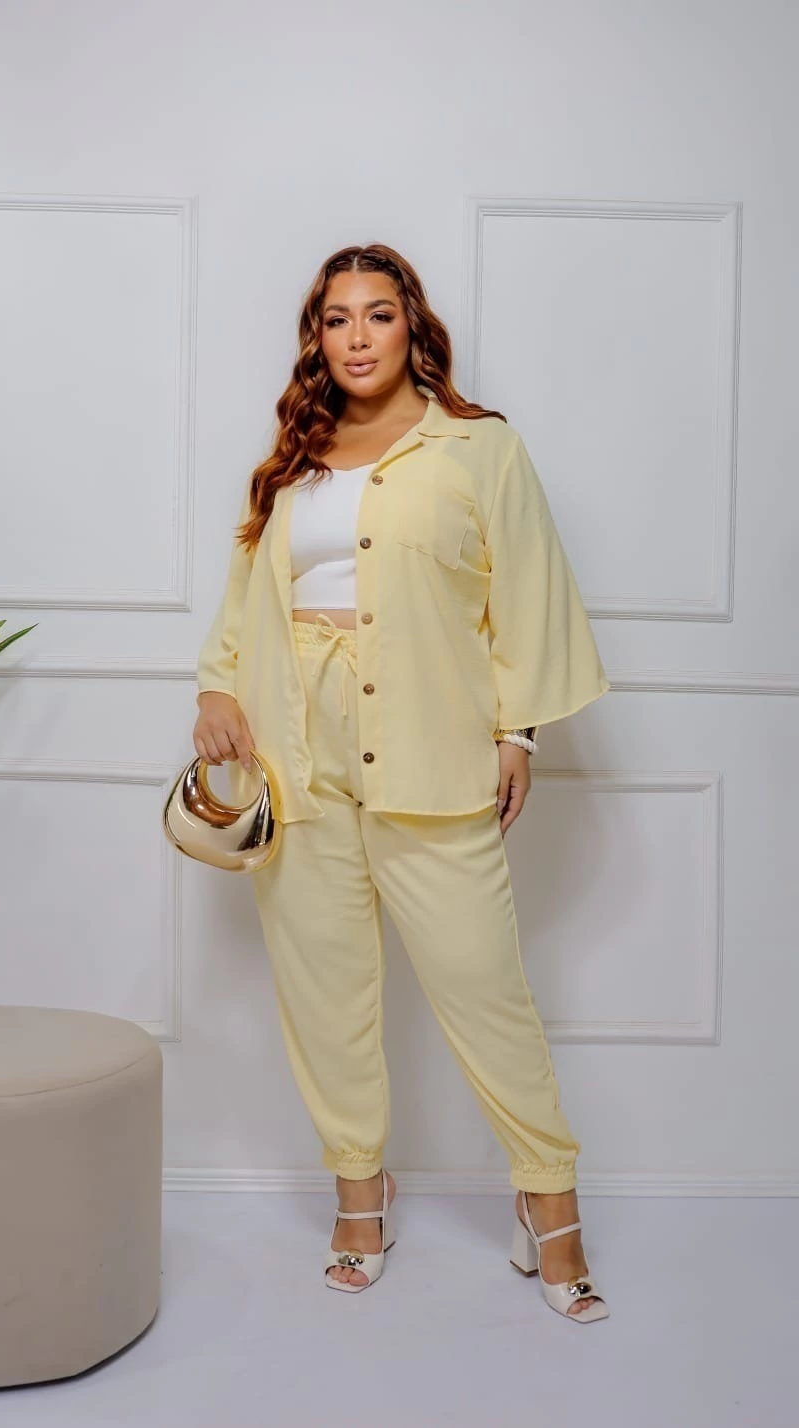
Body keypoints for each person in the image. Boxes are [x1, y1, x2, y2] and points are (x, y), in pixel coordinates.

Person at [193, 243, 611, 1322]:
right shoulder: (292, 457)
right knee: (325, 990)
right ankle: (358, 1199)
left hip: (430, 740)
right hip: (293, 743)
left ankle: (549, 1204)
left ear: (411, 327)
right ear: (317, 338)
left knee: (484, 985)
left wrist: (516, 733)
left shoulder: (479, 447)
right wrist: (216, 690)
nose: (358, 336)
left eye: (378, 314)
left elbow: (527, 592)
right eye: (337, 319)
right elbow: (244, 600)